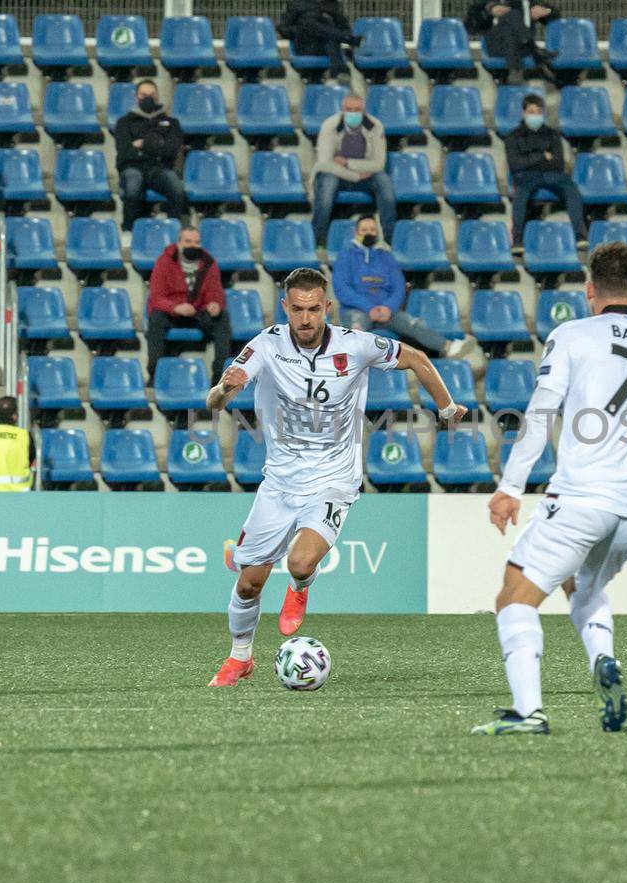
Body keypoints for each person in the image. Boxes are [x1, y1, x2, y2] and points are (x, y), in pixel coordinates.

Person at [474, 242, 627, 735]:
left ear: (589, 290)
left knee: (513, 597)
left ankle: (527, 712)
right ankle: (604, 659)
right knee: (583, 585)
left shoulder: (572, 335)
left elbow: (542, 411)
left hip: (579, 498)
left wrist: (510, 485)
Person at [204, 267, 467, 686]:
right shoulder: (266, 345)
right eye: (297, 310)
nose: (305, 319)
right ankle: (241, 657)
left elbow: (417, 358)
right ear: (285, 308)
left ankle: (300, 585)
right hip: (279, 483)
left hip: (334, 477)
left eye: (314, 310)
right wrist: (225, 388)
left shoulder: (357, 345)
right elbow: (215, 401)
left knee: (301, 559)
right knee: (249, 584)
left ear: (327, 307)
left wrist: (448, 407)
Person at [332, 214, 475, 359]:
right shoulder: (345, 256)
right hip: (358, 310)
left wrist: (388, 307)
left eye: (372, 230)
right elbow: (342, 289)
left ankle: (448, 347)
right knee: (356, 329)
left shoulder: (387, 257)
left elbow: (399, 287)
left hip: (387, 312)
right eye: (364, 230)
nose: (369, 233)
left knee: (412, 323)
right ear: (356, 233)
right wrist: (369, 307)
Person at [310, 91, 396, 249]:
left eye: (357, 110)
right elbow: (325, 163)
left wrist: (347, 163)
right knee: (327, 185)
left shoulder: (375, 126)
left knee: (385, 183)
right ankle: (318, 239)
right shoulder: (330, 126)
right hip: (338, 174)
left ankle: (391, 239)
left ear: (364, 111)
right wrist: (355, 176)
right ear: (343, 109)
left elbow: (378, 164)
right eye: (349, 109)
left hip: (366, 175)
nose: (353, 113)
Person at [146, 225, 230, 382]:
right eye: (188, 241)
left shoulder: (208, 262)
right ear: (178, 243)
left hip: (197, 311)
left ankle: (220, 376)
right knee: (156, 318)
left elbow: (215, 291)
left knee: (222, 317)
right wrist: (175, 308)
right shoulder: (164, 261)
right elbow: (156, 297)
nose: (193, 246)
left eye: (197, 242)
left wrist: (215, 304)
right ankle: (155, 375)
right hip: (172, 312)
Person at [504, 94, 586, 245]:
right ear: (524, 113)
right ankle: (517, 240)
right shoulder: (513, 137)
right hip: (526, 177)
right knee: (520, 194)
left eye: (538, 112)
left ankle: (579, 236)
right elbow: (515, 165)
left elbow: (558, 163)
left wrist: (530, 160)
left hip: (551, 174)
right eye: (531, 112)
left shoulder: (552, 134)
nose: (535, 116)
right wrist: (542, 156)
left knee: (571, 188)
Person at [465, 0, 558, 86]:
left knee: (510, 28)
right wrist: (490, 10)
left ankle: (515, 70)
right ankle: (534, 51)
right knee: (512, 15)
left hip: (521, 47)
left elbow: (555, 14)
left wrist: (546, 11)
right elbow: (471, 22)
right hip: (496, 45)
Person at [114, 79, 187, 230]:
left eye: (152, 94)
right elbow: (125, 152)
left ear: (158, 95)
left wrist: (142, 145)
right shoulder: (124, 122)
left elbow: (172, 149)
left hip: (159, 168)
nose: (148, 98)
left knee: (177, 187)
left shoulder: (172, 122)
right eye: (143, 94)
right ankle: (129, 230)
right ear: (136, 96)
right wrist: (157, 145)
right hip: (133, 167)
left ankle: (174, 230)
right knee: (133, 185)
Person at [278, 0, 358, 82]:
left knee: (327, 31)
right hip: (305, 45)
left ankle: (339, 73)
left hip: (328, 46)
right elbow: (283, 28)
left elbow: (344, 27)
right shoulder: (297, 5)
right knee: (309, 21)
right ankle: (340, 71)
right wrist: (301, 30)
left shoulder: (334, 6)